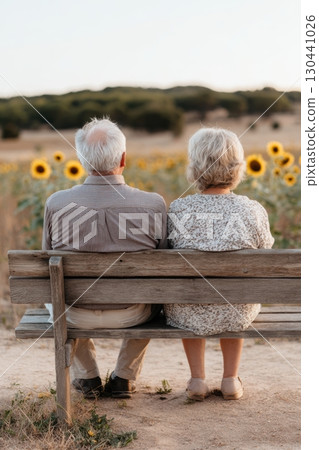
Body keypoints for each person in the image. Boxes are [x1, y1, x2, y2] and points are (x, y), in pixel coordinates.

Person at [42, 117, 167, 399]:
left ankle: (87, 376)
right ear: (124, 158)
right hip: (132, 314)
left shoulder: (56, 203)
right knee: (156, 290)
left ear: (82, 160)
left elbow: (47, 262)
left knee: (56, 289)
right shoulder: (153, 204)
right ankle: (124, 376)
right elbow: (163, 261)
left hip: (73, 315)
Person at [164, 127, 274, 401]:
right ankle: (230, 380)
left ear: (195, 168)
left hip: (187, 310)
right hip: (237, 310)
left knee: (188, 298)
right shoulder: (252, 210)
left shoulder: (179, 209)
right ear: (237, 168)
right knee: (236, 295)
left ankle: (198, 379)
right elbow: (266, 251)